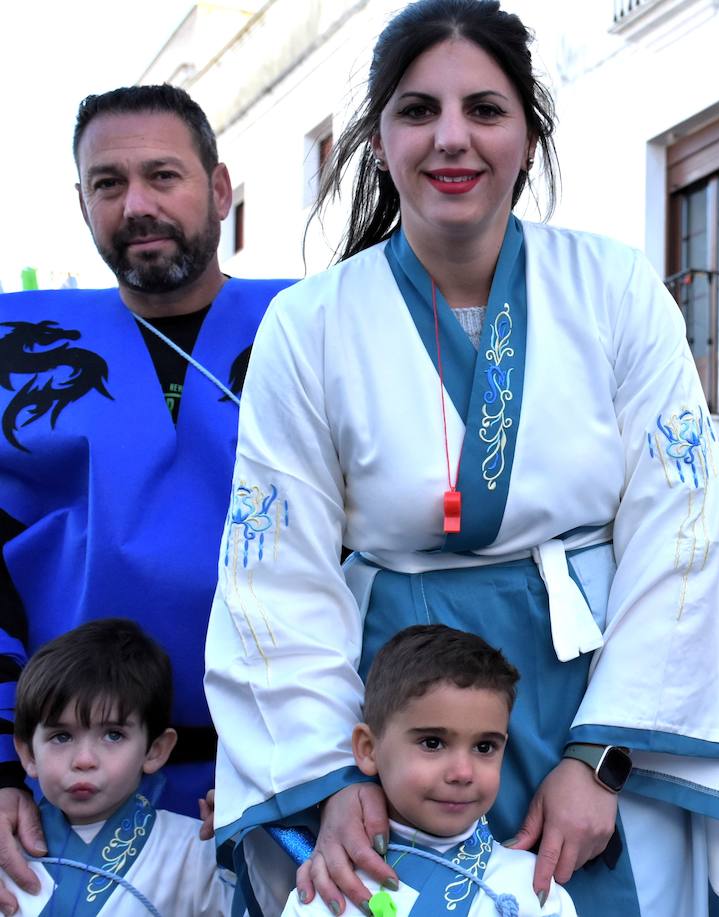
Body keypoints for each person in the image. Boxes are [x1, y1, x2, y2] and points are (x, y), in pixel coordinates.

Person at [204, 3, 719, 916]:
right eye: (418, 111)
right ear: (380, 137)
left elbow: (683, 530)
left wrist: (603, 759)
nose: (451, 139)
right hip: (397, 717)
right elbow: (275, 570)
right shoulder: (309, 325)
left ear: (528, 130)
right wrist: (331, 772)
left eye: (484, 108)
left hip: (592, 688)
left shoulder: (615, 288)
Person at [0, 84, 292, 912]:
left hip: (286, 774)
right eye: (108, 183)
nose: (137, 205)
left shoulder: (314, 327)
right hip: (72, 784)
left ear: (221, 188)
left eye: (164, 175)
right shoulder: (16, 349)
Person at [281, 625, 574, 916]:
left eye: (484, 747)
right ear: (368, 748)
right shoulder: (326, 896)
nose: (462, 772)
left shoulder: (533, 889)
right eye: (433, 743)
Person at [3, 619, 232, 915]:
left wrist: (250, 844)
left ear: (155, 749)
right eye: (61, 736)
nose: (84, 760)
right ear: (27, 753)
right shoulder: (7, 849)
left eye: (113, 735)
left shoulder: (194, 851)